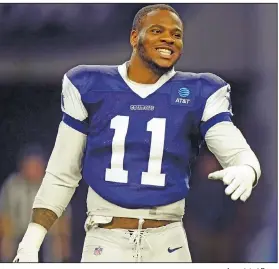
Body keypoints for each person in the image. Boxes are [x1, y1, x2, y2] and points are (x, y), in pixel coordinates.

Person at [13, 4, 261, 262]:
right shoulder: (91, 86)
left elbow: (234, 147)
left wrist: (248, 168)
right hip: (106, 239)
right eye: (157, 30)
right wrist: (33, 238)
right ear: (134, 37)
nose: (169, 38)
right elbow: (63, 172)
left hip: (167, 239)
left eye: (177, 34)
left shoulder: (199, 91)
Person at [0, 145, 72, 262]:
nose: (33, 169)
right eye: (29, 165)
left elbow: (64, 217)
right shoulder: (12, 185)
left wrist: (64, 240)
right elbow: (4, 214)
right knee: (7, 243)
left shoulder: (52, 185)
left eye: (36, 165)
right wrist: (5, 238)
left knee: (56, 244)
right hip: (19, 230)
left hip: (47, 233)